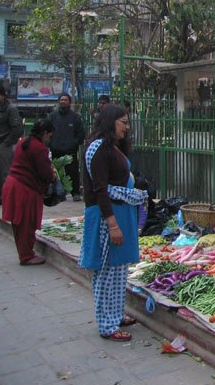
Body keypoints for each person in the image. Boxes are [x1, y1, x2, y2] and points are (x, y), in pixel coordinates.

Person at [78, 104, 147, 342]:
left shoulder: (112, 147)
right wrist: (113, 224)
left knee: (118, 271)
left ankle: (116, 315)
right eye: (123, 122)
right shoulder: (97, 149)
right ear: (110, 122)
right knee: (106, 273)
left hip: (121, 213)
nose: (127, 128)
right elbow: (100, 189)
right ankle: (107, 325)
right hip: (108, 216)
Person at [1, 119, 56, 265]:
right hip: (25, 189)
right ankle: (26, 256)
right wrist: (53, 175)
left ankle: (24, 253)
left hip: (13, 184)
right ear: (44, 133)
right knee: (27, 223)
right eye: (49, 136)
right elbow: (45, 172)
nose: (49, 139)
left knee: (18, 224)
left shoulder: (23, 142)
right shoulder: (39, 148)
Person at [0, 85, 24, 205]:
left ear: (3, 96)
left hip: (4, 144)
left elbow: (17, 128)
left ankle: (9, 198)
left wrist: (8, 142)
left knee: (6, 173)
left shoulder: (10, 109)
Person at [48, 93, 86, 202]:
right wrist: (51, 144)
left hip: (70, 151)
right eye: (61, 99)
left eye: (65, 100)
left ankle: (75, 193)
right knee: (57, 174)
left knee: (72, 172)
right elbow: (46, 131)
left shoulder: (75, 117)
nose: (63, 101)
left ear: (69, 102)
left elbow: (80, 134)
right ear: (58, 101)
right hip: (56, 150)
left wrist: (73, 144)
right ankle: (59, 193)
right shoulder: (52, 116)